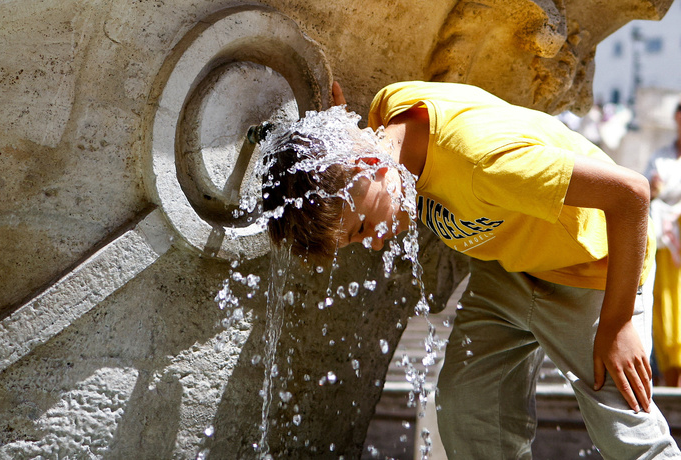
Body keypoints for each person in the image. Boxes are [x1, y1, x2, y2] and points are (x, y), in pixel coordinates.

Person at [259, 81, 681, 458]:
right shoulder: (387, 121)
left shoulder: (484, 165)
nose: (374, 242)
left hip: (593, 274)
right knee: (469, 409)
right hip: (508, 272)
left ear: (371, 165)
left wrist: (617, 322)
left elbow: (631, 194)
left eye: (364, 227)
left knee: (627, 434)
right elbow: (340, 144)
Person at [645, 102, 681, 387]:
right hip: (665, 247)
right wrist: (653, 189)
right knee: (666, 322)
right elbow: (646, 192)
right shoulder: (661, 158)